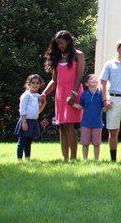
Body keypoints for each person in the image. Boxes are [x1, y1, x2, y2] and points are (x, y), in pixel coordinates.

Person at [41, 30, 87, 161]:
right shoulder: (58, 57)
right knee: (61, 125)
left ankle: (73, 158)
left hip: (73, 92)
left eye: (61, 43)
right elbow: (54, 80)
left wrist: (73, 93)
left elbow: (80, 76)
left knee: (69, 125)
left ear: (68, 41)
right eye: (57, 44)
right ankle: (64, 158)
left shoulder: (78, 55)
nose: (59, 46)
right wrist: (44, 93)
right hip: (60, 94)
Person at [72, 74, 105, 161]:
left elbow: (104, 107)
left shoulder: (101, 94)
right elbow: (80, 106)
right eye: (91, 79)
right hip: (85, 123)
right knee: (85, 143)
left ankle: (96, 160)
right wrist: (71, 104)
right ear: (86, 84)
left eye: (95, 78)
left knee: (97, 144)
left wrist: (110, 105)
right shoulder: (84, 94)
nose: (94, 79)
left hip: (97, 123)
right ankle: (85, 159)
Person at [15, 74, 46, 161]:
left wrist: (43, 104)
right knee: (22, 142)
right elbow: (22, 109)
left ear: (40, 85)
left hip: (33, 121)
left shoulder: (38, 96)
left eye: (37, 83)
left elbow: (38, 111)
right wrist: (24, 122)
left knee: (29, 142)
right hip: (25, 121)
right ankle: (19, 159)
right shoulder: (26, 95)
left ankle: (28, 158)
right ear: (28, 84)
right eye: (33, 83)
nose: (35, 85)